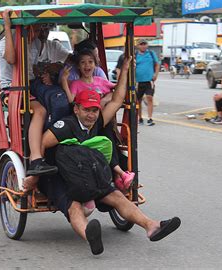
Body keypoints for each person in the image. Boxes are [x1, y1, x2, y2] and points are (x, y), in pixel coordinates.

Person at [24, 56, 181, 255]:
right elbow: (42, 144)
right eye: (87, 110)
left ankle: (152, 226)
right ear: (76, 108)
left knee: (117, 196)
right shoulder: (65, 126)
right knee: (73, 207)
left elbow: (116, 100)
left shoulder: (97, 122)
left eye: (95, 111)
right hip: (58, 177)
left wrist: (124, 71)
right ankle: (88, 235)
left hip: (88, 174)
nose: (91, 115)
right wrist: (35, 177)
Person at [0, 9, 70, 176]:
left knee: (56, 101)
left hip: (30, 87)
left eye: (40, 30)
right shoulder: (7, 40)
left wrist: (52, 70)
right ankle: (36, 159)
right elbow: (11, 59)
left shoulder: (36, 43)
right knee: (40, 111)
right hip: (12, 88)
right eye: (36, 30)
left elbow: (35, 69)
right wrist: (8, 26)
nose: (39, 34)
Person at [61, 49, 134, 191]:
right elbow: (71, 102)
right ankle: (118, 173)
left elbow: (117, 94)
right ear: (78, 66)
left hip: (99, 120)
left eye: (90, 62)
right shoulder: (76, 84)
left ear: (95, 65)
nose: (87, 65)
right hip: (83, 122)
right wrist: (64, 81)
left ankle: (118, 173)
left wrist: (124, 70)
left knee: (108, 134)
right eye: (83, 62)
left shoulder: (101, 81)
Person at [135, 39, 159, 126]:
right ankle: (140, 118)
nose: (143, 46)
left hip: (149, 81)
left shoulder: (151, 54)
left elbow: (157, 64)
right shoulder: (135, 55)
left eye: (145, 44)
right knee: (138, 100)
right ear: (138, 46)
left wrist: (156, 74)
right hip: (138, 81)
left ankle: (150, 118)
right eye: (141, 44)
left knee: (149, 98)